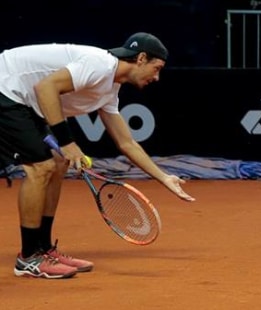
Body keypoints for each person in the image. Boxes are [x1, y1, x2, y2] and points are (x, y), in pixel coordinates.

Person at [0, 32, 196, 279]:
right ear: (141, 58)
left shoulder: (109, 90)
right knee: (42, 167)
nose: (156, 77)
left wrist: (164, 177)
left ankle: (44, 248)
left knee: (58, 163)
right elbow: (45, 87)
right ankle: (28, 258)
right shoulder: (100, 64)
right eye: (156, 68)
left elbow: (127, 143)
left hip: (23, 99)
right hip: (6, 87)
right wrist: (68, 142)